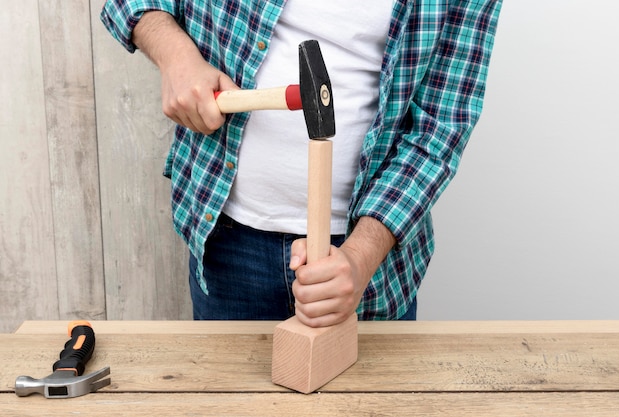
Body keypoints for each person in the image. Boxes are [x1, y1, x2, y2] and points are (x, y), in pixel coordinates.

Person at [100, 0, 502, 327]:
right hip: (225, 240)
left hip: (364, 263)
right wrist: (175, 56)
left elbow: (440, 127)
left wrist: (357, 260)